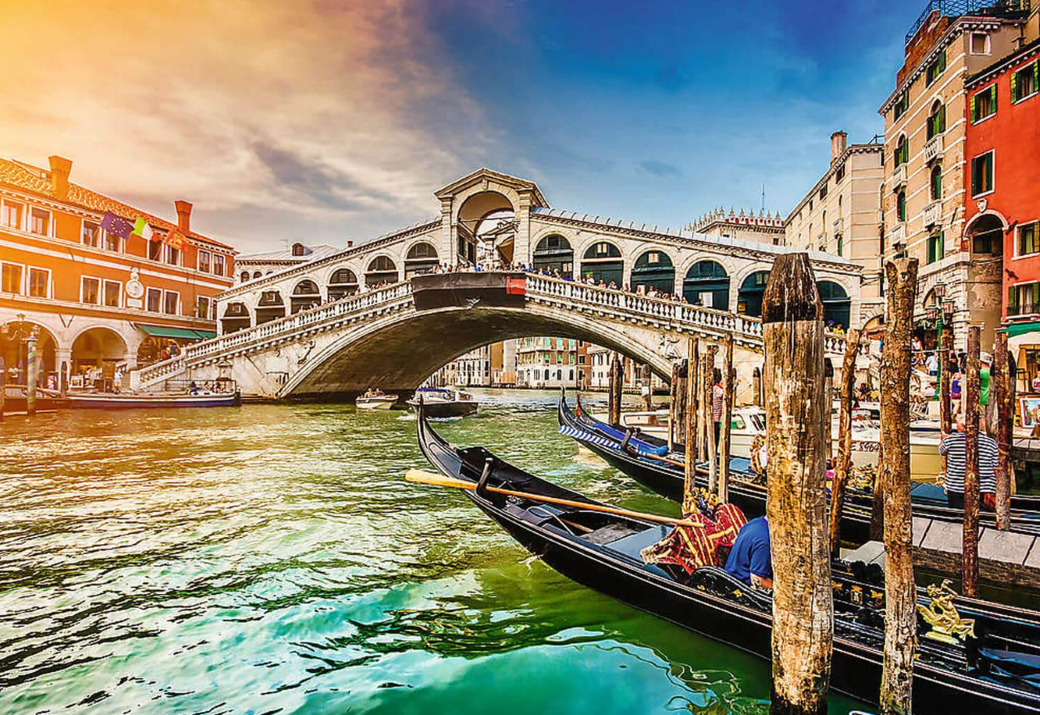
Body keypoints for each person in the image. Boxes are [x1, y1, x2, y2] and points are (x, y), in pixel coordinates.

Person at [939, 415, 998, 510]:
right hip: (985, 488)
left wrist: (943, 439)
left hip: (956, 488)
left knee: (958, 513)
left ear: (962, 426)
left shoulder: (950, 440)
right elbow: (996, 467)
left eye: (957, 425)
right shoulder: (991, 443)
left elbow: (942, 451)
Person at [724, 516, 772, 589]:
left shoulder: (755, 522)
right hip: (742, 588)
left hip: (731, 576)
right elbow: (758, 580)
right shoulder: (766, 541)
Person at [712, 368, 724, 448]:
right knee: (715, 438)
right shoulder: (717, 389)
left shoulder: (712, 388)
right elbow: (725, 394)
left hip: (711, 417)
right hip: (715, 418)